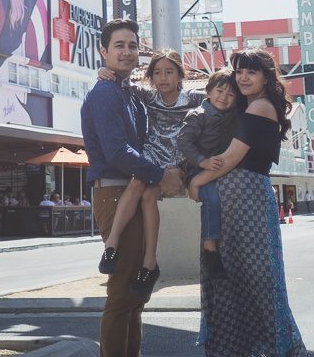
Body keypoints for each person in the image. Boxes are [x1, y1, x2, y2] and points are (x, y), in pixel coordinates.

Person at [190, 48, 306, 357]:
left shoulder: (261, 107)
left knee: (254, 276)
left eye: (251, 72)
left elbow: (233, 157)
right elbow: (204, 97)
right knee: (229, 272)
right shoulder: (248, 105)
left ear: (266, 77)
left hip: (247, 196)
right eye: (239, 71)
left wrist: (196, 181)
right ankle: (238, 347)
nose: (243, 77)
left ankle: (272, 347)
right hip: (232, 197)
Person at [80, 19, 183, 357]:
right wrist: (160, 174)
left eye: (132, 45)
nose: (126, 52)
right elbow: (117, 151)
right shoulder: (106, 92)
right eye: (119, 46)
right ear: (103, 52)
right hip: (114, 192)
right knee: (122, 290)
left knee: (138, 291)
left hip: (136, 191)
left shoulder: (128, 91)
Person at [94, 47, 205, 295]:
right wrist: (102, 71)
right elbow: (121, 83)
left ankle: (149, 261)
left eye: (169, 72)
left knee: (148, 196)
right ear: (151, 76)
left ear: (180, 74)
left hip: (178, 159)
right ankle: (111, 245)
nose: (163, 78)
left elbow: (222, 94)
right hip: (153, 154)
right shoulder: (148, 96)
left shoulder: (194, 98)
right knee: (135, 186)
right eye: (157, 73)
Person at [177, 69, 239, 277]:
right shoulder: (198, 115)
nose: (224, 97)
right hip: (197, 167)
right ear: (208, 92)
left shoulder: (232, 116)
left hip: (221, 166)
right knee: (212, 198)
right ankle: (210, 249)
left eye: (230, 94)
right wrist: (202, 161)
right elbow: (183, 142)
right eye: (220, 91)